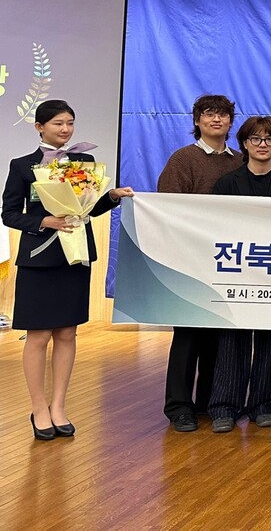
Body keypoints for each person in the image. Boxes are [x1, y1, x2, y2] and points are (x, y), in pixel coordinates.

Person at [3, 100, 134, 441]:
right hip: (38, 260)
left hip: (73, 258)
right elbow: (9, 214)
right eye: (58, 123)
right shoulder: (22, 166)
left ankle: (59, 405)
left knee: (66, 333)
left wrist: (112, 196)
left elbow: (88, 208)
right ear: (39, 127)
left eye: (70, 123)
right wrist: (44, 221)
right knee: (38, 335)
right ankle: (38, 408)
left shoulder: (85, 162)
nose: (65, 129)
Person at [208, 116, 271, 432]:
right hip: (235, 272)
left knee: (269, 339)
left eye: (269, 139)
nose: (263, 145)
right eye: (255, 139)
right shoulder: (226, 184)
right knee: (231, 338)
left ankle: (264, 403)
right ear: (244, 144)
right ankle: (224, 406)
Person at [158, 94, 244, 432]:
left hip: (228, 261)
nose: (216, 120)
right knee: (188, 335)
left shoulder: (241, 161)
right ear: (197, 121)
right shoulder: (183, 159)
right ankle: (179, 407)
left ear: (231, 121)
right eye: (209, 114)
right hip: (191, 260)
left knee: (218, 336)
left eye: (223, 114)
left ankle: (210, 400)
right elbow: (168, 208)